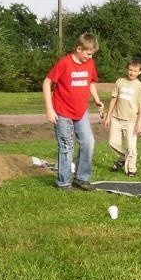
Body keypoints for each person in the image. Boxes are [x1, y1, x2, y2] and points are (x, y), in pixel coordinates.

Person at [42, 33, 104, 191]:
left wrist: (96, 100)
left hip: (81, 111)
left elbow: (90, 82)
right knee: (66, 146)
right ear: (79, 48)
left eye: (92, 54)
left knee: (89, 142)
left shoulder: (90, 63)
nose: (90, 57)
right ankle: (63, 183)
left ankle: (82, 178)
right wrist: (49, 109)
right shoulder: (65, 63)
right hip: (62, 111)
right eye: (88, 53)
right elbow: (47, 82)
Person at [105, 58, 141, 177]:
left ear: (140, 72)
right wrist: (108, 116)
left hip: (131, 121)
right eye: (130, 70)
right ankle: (124, 158)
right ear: (127, 69)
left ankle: (131, 169)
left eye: (135, 71)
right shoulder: (120, 82)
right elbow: (114, 99)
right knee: (112, 142)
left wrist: (139, 122)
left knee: (131, 145)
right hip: (116, 118)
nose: (132, 73)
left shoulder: (140, 87)